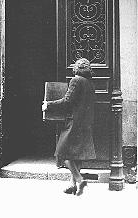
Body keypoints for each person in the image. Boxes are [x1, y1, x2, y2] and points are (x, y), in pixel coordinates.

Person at [42, 58, 96, 196]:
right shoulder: (90, 83)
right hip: (85, 122)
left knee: (62, 153)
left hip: (74, 123)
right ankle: (72, 185)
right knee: (77, 156)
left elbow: (67, 101)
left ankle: (79, 180)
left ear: (76, 68)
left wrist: (48, 104)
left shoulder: (76, 80)